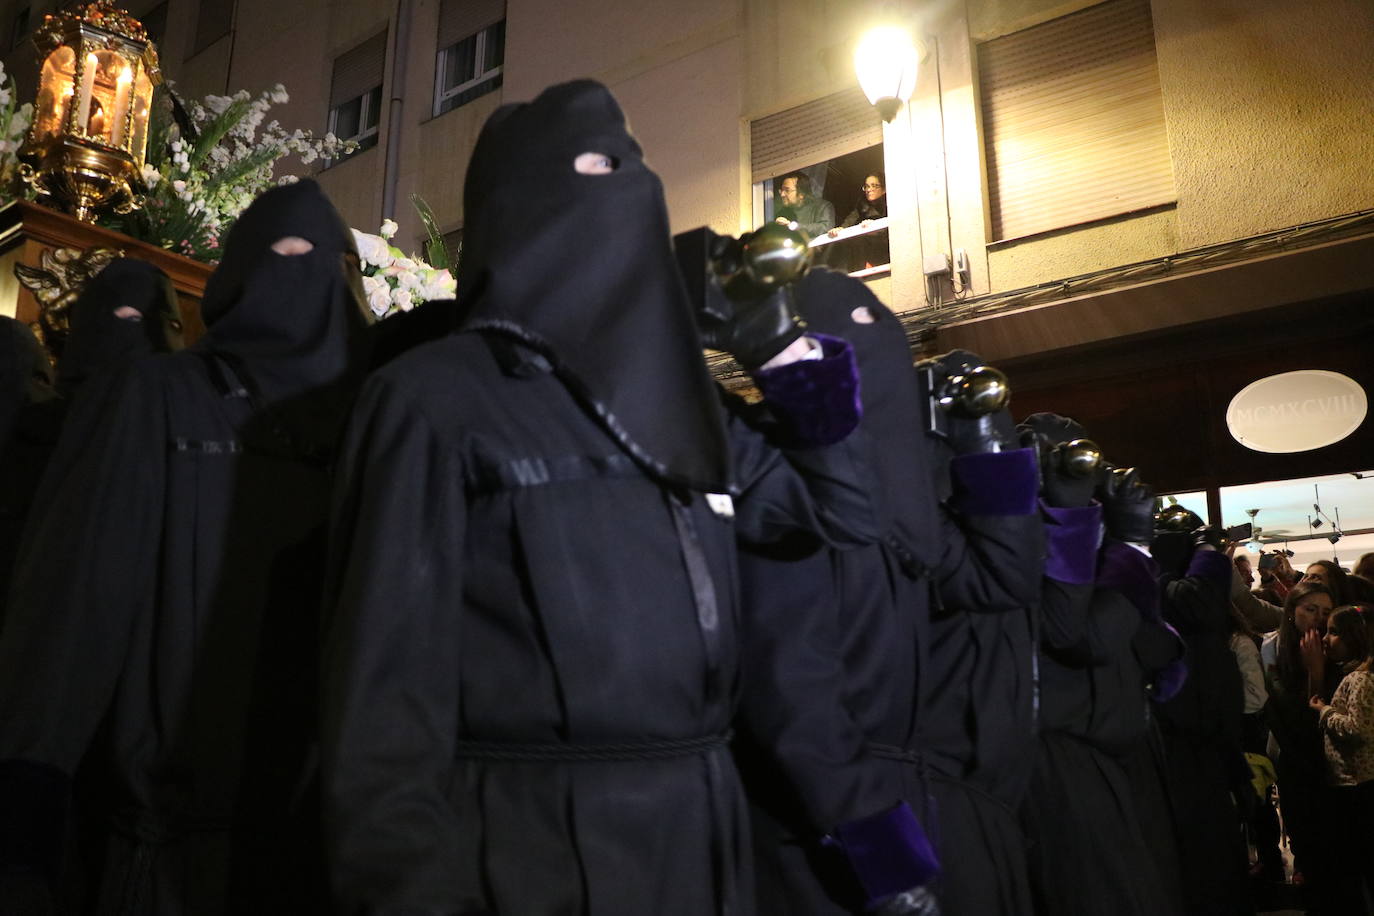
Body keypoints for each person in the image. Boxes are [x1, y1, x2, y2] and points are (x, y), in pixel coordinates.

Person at [318, 80, 888, 916]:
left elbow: (843, 515)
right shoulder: (434, 400)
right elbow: (382, 724)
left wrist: (778, 347)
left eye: (630, 170)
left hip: (706, 843)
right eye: (592, 167)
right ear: (524, 207)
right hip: (528, 854)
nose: (623, 192)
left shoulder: (688, 406)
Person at [0, 179, 371, 913]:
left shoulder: (372, 421)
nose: (299, 277)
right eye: (282, 254)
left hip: (320, 856)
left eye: (322, 261)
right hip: (170, 857)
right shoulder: (157, 397)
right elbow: (77, 604)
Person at [735, 277, 1044, 916]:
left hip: (898, 803)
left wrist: (988, 441)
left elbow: (1002, 577)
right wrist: (884, 857)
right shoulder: (781, 491)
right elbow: (792, 695)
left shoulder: (898, 515)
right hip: (813, 827)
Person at [1262, 582, 1340, 906]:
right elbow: (1296, 723)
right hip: (1297, 767)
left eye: (1325, 612)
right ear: (1292, 612)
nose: (1318, 620)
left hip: (1335, 771)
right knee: (1308, 843)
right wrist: (1314, 673)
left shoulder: (1339, 653)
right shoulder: (1275, 655)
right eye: (1310, 610)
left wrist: (1321, 670)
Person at [1309, 605, 1374, 912]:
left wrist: (1325, 712)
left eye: (1333, 632)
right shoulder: (1354, 674)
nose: (1325, 638)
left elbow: (1357, 729)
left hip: (1358, 783)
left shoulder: (1360, 679)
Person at [775, 172, 836, 238]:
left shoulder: (823, 207)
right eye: (781, 190)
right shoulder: (782, 213)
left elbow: (825, 228)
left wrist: (793, 226)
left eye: (787, 190)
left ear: (802, 194)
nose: (782, 194)